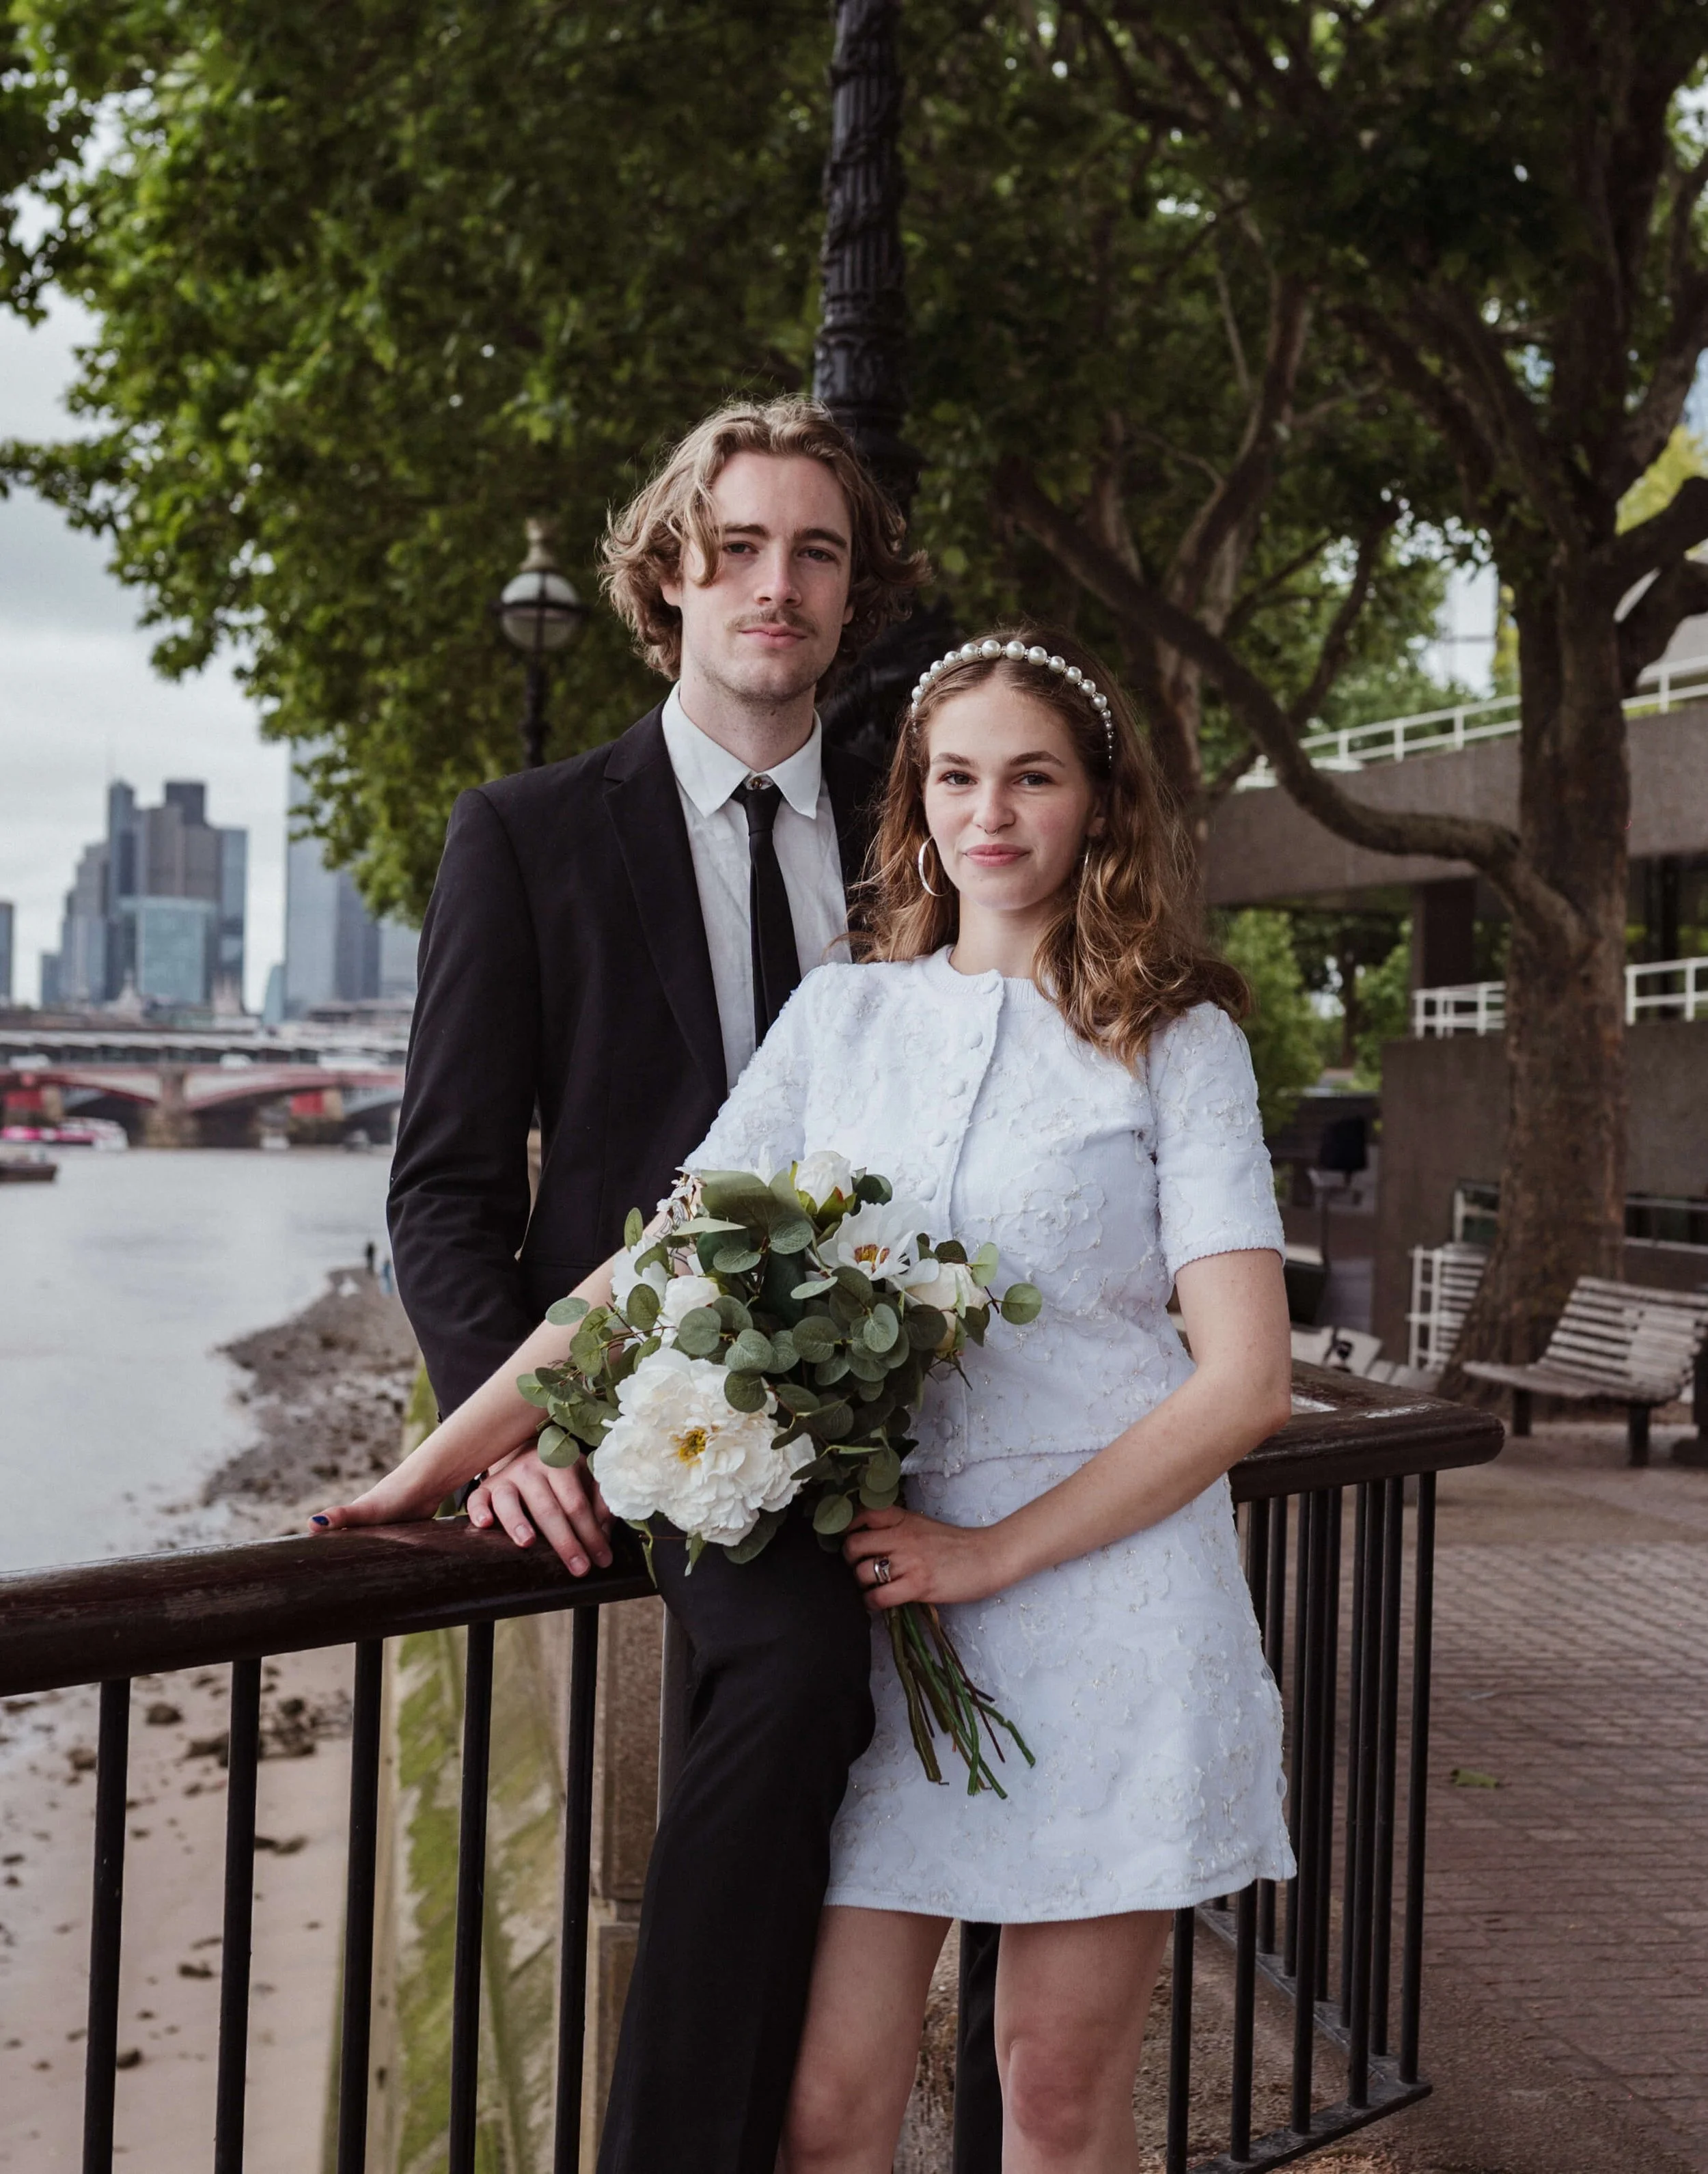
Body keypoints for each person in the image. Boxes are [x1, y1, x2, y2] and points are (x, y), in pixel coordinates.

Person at [309, 396, 984, 2174]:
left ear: (852, 599)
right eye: (739, 547)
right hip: (641, 1395)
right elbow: (446, 1185)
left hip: (917, 1381)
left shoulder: (912, 831)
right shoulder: (523, 833)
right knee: (793, 1670)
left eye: (816, 552)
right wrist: (497, 1430)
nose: (778, 583)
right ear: (665, 577)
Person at [677, 625, 1299, 2174]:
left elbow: (1247, 1381)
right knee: (824, 2115)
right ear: (916, 799)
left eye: (1031, 777)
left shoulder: (1176, 1038)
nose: (989, 814)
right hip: (883, 1619)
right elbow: (667, 1268)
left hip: (1106, 1604)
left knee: (1050, 2091)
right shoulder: (840, 1019)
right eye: (955, 777)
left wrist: (992, 1550)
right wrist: (460, 1450)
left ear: (1096, 803)